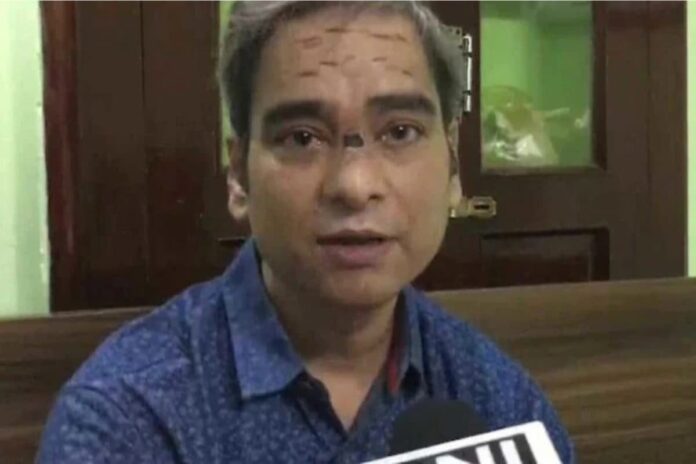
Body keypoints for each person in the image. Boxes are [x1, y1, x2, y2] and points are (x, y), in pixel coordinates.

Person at [38, 2, 574, 463]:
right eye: (302, 138)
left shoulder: (498, 398)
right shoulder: (130, 417)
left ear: (453, 165)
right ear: (238, 176)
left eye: (400, 131)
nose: (355, 185)